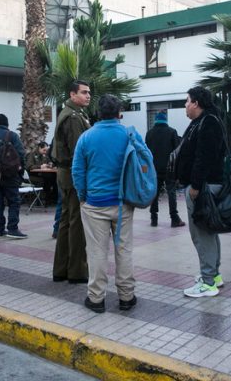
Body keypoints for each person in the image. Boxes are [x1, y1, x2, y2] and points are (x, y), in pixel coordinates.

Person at [72, 94, 138, 313]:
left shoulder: (86, 137)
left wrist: (83, 196)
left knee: (97, 252)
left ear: (98, 113)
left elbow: (78, 172)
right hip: (122, 204)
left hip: (95, 204)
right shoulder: (129, 134)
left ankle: (96, 298)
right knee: (124, 250)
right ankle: (127, 297)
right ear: (119, 113)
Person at [175, 86, 227, 297]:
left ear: (196, 102)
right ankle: (213, 275)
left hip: (203, 188)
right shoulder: (203, 121)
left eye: (187, 101)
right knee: (208, 231)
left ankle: (208, 282)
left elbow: (204, 157)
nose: (185, 105)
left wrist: (195, 186)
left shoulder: (209, 122)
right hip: (203, 186)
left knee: (202, 234)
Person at [52, 80, 91, 284]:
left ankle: (61, 269)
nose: (88, 96)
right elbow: (79, 152)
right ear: (72, 94)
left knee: (67, 222)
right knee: (76, 223)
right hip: (72, 174)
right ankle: (77, 271)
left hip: (65, 173)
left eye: (88, 92)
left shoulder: (70, 113)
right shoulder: (74, 117)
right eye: (84, 92)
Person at [0, 113, 27, 239]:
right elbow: (21, 155)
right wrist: (20, 173)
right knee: (14, 202)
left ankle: (0, 229)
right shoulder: (12, 136)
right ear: (7, 124)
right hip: (10, 176)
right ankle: (13, 228)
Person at [145, 111, 184, 228]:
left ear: (156, 120)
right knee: (171, 192)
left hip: (154, 169)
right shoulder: (172, 132)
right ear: (165, 120)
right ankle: (174, 219)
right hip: (169, 169)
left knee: (154, 194)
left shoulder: (149, 133)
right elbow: (177, 152)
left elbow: (146, 152)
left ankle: (153, 218)